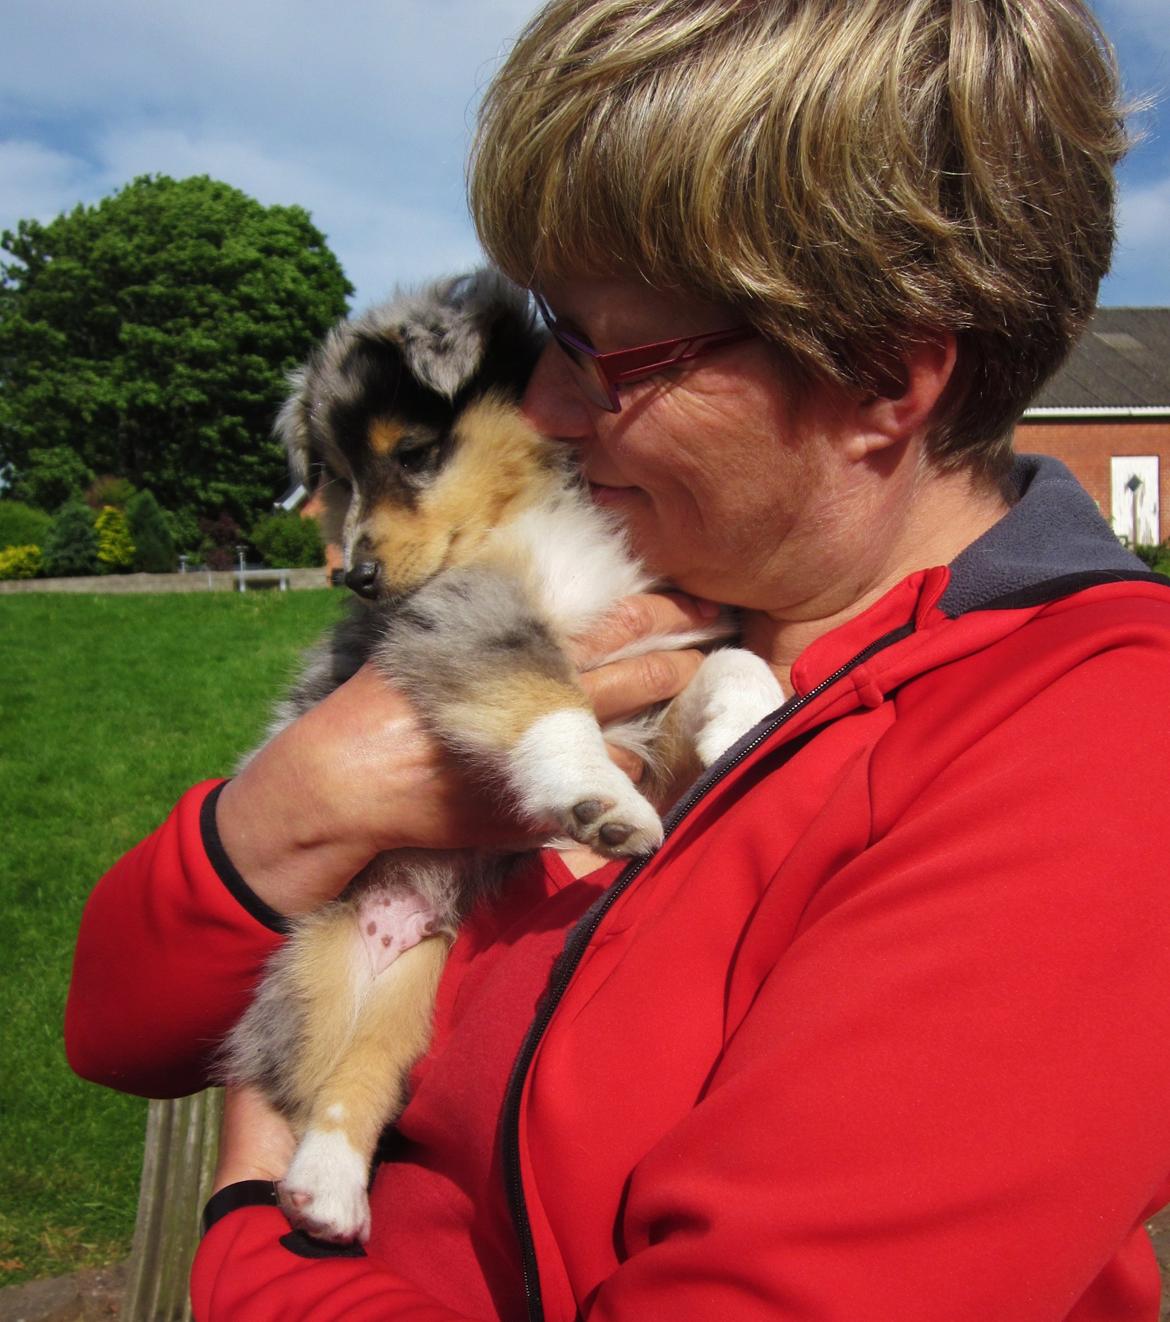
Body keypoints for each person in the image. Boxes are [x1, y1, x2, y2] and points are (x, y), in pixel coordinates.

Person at [66, 1, 1170, 1318]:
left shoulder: (1091, 755)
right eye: (545, 327)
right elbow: (116, 1026)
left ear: (884, 376)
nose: (536, 404)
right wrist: (309, 795)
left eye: (604, 352)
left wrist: (257, 1245)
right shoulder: (627, 606)